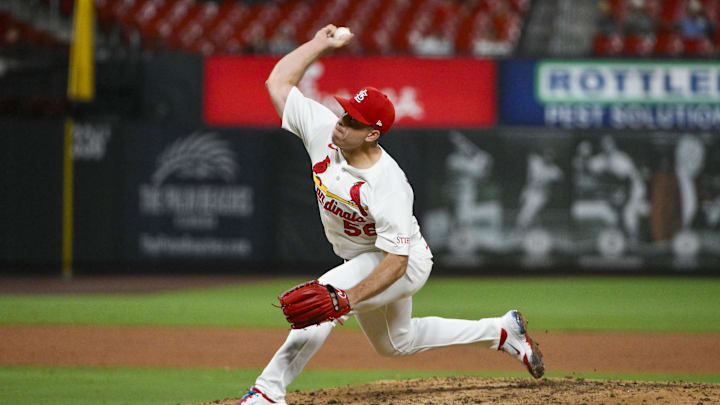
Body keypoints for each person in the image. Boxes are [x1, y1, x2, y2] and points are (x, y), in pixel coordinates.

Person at [239, 24, 545, 405]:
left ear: (372, 134)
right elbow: (278, 82)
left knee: (326, 299)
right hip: (367, 257)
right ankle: (503, 331)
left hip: (403, 261)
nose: (341, 121)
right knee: (397, 343)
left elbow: (397, 262)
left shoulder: (388, 184)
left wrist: (345, 298)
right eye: (345, 111)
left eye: (353, 120)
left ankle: (267, 392)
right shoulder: (323, 131)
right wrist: (320, 43)